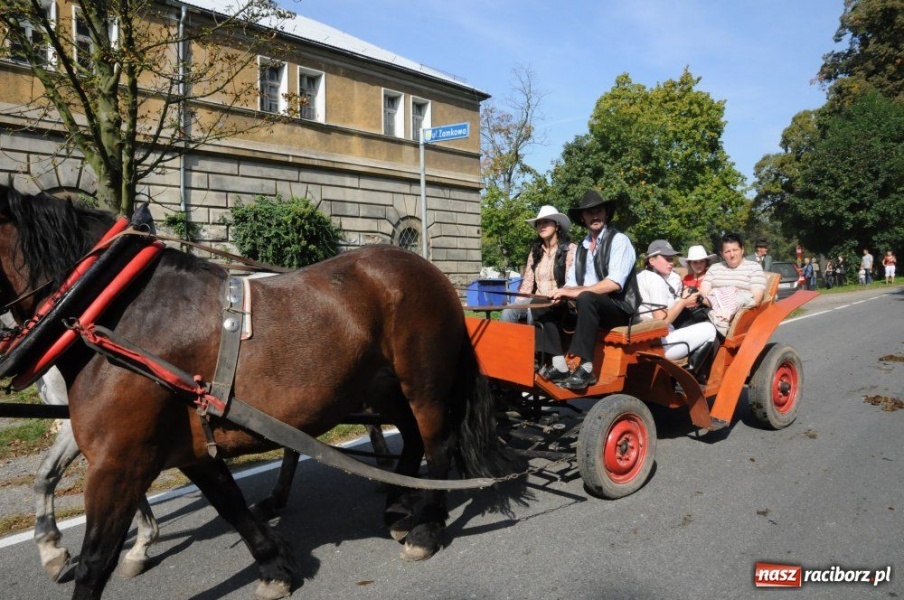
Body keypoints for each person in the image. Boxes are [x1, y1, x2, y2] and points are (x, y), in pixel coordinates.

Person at [536, 189, 639, 390]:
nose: (595, 216)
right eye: (589, 213)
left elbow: (614, 284)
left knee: (586, 297)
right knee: (540, 303)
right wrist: (559, 294)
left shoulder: (619, 241)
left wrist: (574, 293)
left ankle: (586, 369)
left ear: (606, 214)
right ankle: (558, 364)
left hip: (618, 309)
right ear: (583, 218)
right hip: (588, 306)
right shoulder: (582, 247)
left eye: (599, 211)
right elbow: (572, 283)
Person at [636, 240, 716, 360]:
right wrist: (684, 301)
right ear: (652, 261)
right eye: (667, 259)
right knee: (710, 328)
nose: (671, 263)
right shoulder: (656, 280)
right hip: (663, 343)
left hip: (644, 339)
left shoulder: (641, 276)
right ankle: (691, 373)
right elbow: (661, 321)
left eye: (671, 259)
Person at [500, 206, 576, 324]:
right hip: (537, 299)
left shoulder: (569, 249)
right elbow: (528, 283)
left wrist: (560, 295)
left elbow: (572, 282)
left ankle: (536, 342)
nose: (541, 226)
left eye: (546, 222)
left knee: (533, 311)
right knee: (509, 311)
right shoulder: (535, 252)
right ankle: (506, 341)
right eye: (539, 223)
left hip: (560, 301)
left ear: (557, 225)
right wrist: (517, 303)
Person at [699, 233, 767, 337]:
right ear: (722, 254)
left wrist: (728, 304)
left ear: (742, 250)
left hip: (739, 317)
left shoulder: (754, 268)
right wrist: (719, 304)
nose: (732, 255)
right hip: (710, 310)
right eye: (727, 251)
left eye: (735, 250)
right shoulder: (714, 268)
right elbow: (704, 291)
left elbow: (755, 299)